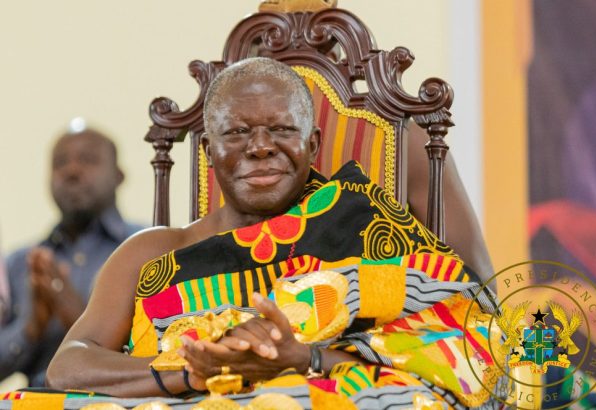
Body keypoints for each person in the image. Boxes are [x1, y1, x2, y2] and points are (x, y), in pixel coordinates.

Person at [45, 58, 498, 407]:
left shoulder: (366, 226)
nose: (260, 147)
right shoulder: (151, 252)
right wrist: (192, 371)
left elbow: (470, 336)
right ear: (208, 151)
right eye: (237, 132)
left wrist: (306, 359)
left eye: (281, 129)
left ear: (313, 144)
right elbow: (69, 364)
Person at [0, 127, 142, 387]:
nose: (71, 171)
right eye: (60, 163)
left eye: (88, 159)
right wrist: (31, 328)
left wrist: (78, 317)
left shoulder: (145, 248)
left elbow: (162, 353)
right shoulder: (21, 263)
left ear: (118, 176)